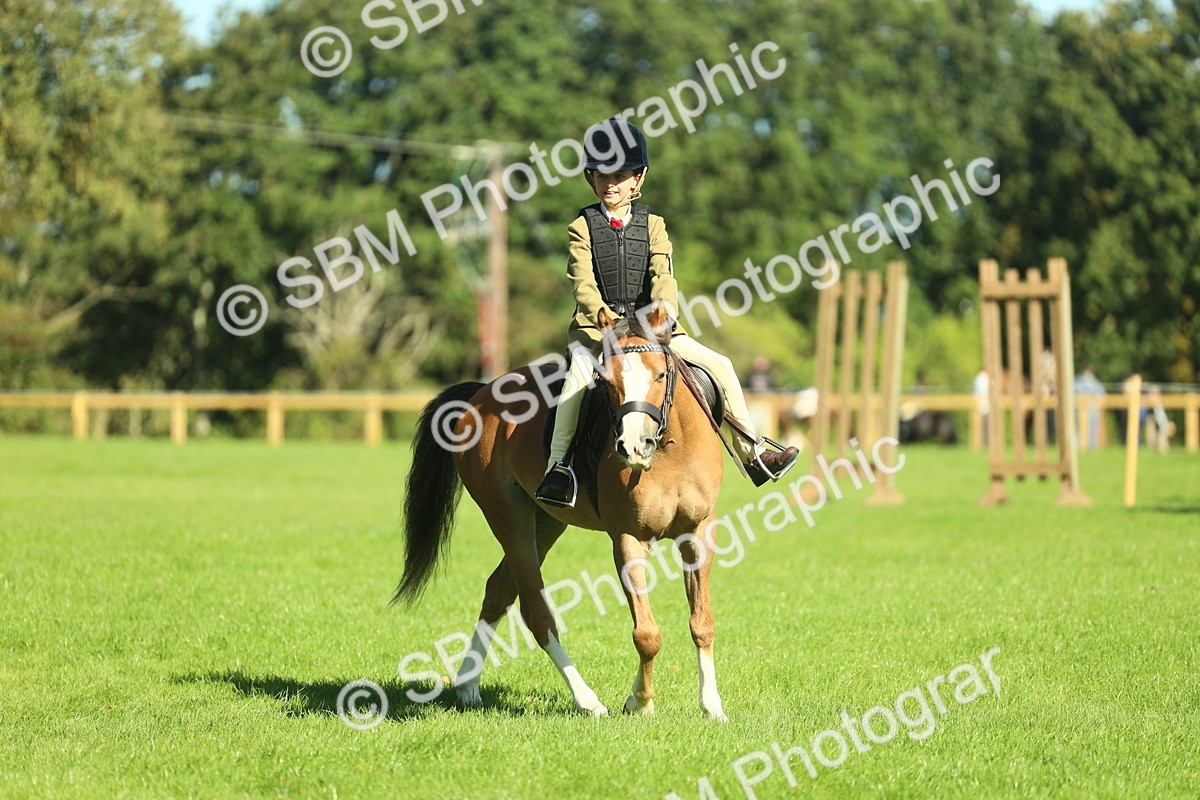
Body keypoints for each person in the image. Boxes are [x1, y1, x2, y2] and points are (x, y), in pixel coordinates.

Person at [536, 117, 799, 507]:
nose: (611, 185)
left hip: (652, 330)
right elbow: (582, 282)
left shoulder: (654, 225)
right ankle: (559, 468)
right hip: (598, 331)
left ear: (638, 178)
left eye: (620, 176)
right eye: (602, 176)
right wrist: (602, 316)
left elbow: (664, 276)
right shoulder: (581, 226)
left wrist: (663, 313)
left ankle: (754, 453)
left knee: (721, 364)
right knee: (576, 379)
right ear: (591, 178)